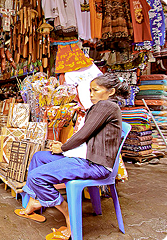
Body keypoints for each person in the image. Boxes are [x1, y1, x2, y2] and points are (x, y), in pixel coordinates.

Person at [15, 73, 130, 239]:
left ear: (110, 92)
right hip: (86, 158)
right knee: (39, 157)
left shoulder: (107, 107)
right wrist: (65, 149)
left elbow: (83, 135)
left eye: (95, 90)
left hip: (96, 164)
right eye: (90, 90)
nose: (91, 94)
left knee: (36, 175)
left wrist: (62, 148)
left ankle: (68, 215)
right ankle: (35, 200)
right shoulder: (101, 107)